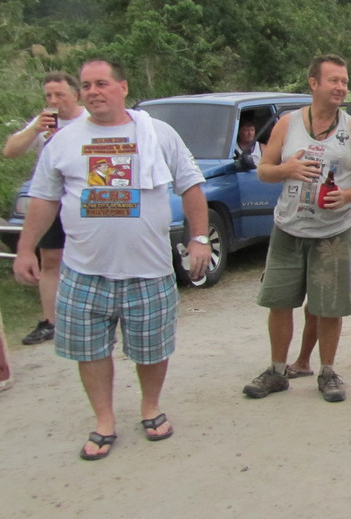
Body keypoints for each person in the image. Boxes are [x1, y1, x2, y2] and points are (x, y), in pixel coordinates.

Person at [13, 59, 211, 460]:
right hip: (84, 271)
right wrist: (25, 249)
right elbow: (44, 200)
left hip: (149, 268)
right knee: (90, 351)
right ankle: (104, 420)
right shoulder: (62, 141)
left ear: (123, 87)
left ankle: (150, 408)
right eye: (86, 85)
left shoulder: (158, 133)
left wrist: (200, 239)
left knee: (152, 349)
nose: (93, 91)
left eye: (101, 83)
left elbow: (191, 185)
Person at [241, 54, 351, 403]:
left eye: (344, 81)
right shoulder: (287, 124)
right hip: (288, 228)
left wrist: (348, 195)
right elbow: (264, 170)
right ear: (313, 83)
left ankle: (328, 372)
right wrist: (286, 169)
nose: (341, 87)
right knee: (279, 302)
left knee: (330, 306)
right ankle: (277, 372)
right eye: (333, 80)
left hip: (333, 232)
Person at [2, 72, 90, 345]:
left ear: (75, 95)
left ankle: (91, 315)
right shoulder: (43, 122)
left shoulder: (89, 119)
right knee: (50, 259)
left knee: (89, 257)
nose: (53, 101)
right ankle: (51, 321)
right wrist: (34, 130)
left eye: (59, 95)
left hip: (85, 200)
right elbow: (10, 151)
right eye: (49, 95)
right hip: (51, 201)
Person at [285, 199, 351, 377]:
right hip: (343, 251)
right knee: (342, 305)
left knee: (323, 308)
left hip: (339, 253)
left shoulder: (345, 191)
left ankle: (303, 362)